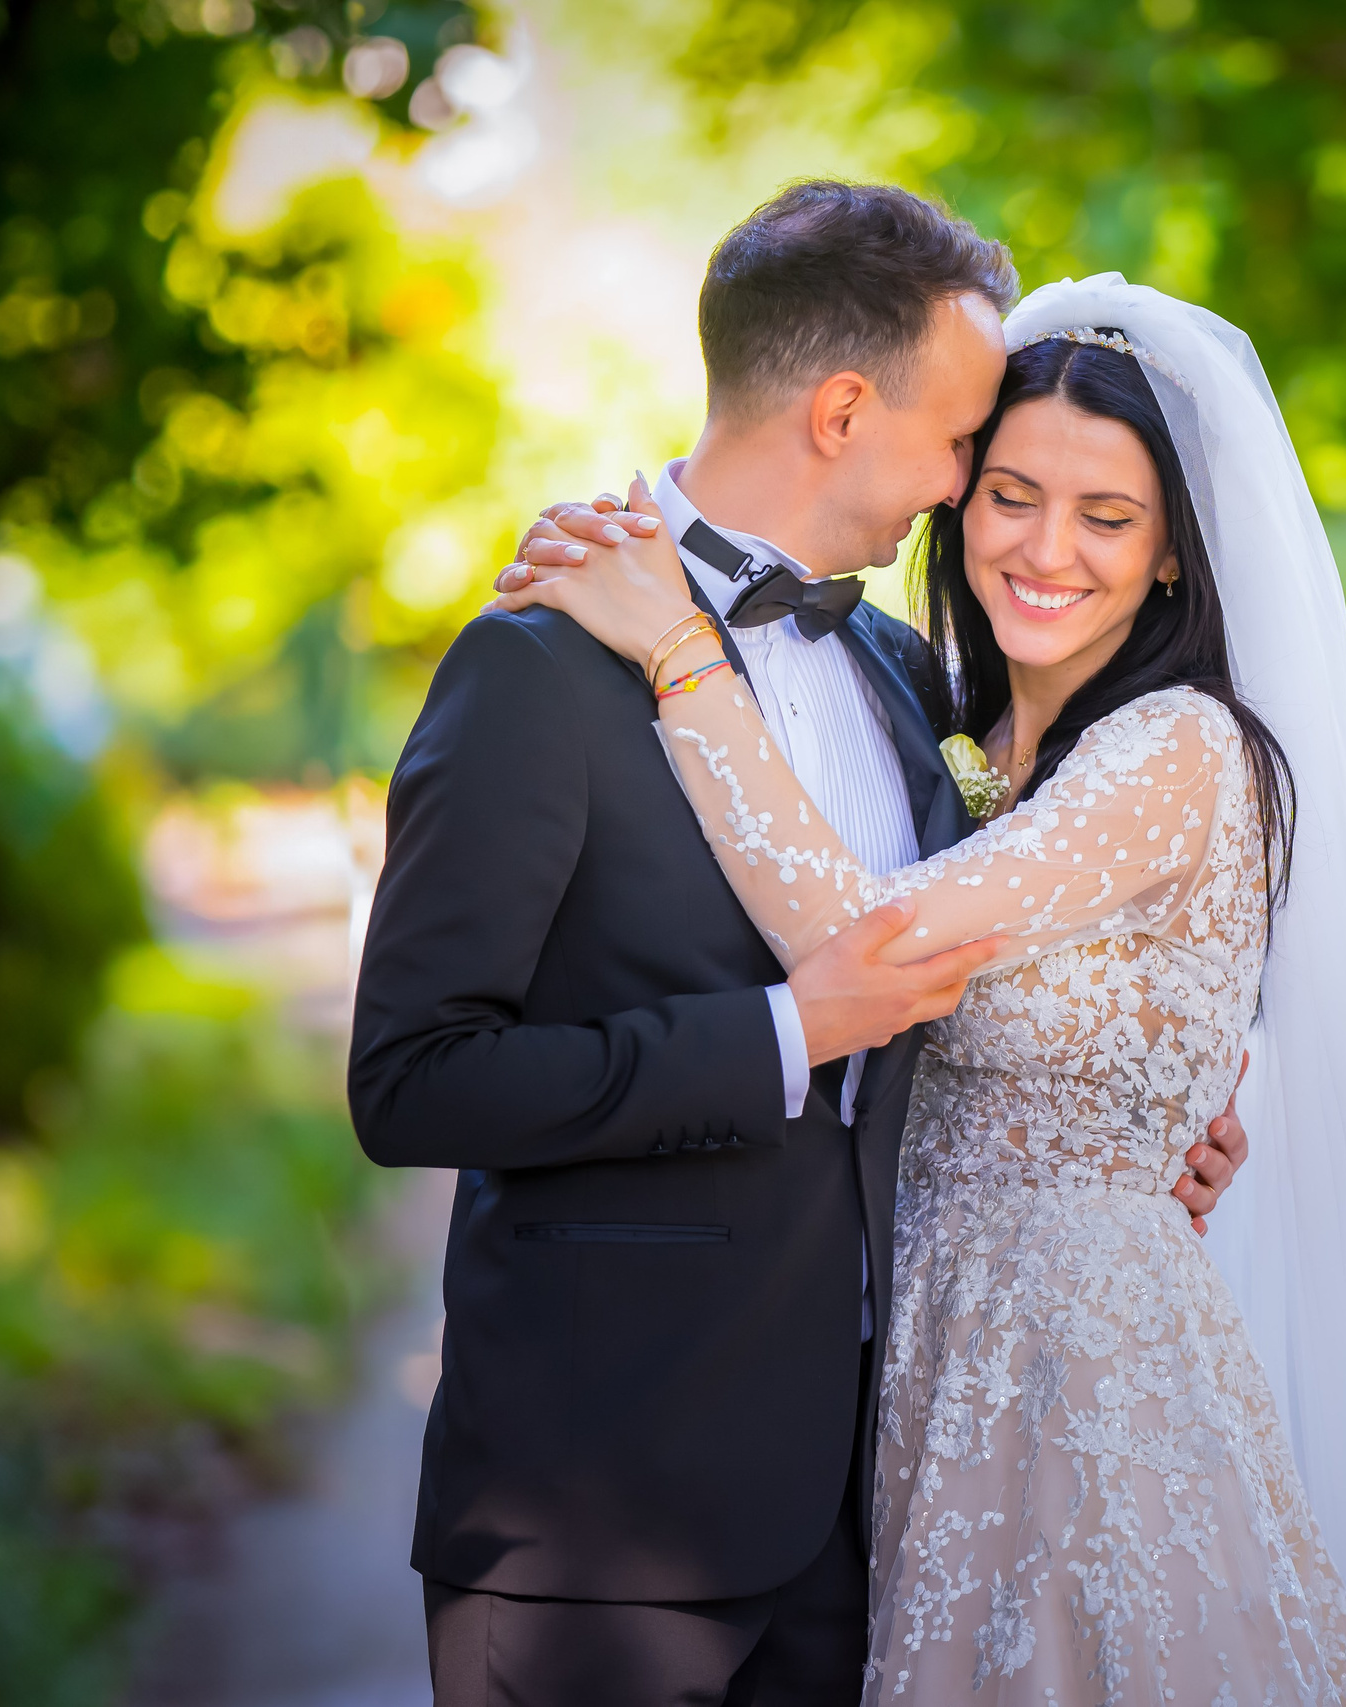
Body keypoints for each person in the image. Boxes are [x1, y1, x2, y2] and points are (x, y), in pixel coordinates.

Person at [501, 274, 1346, 1705]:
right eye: (1012, 496)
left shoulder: (1175, 751)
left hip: (1085, 1392)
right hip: (917, 1378)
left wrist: (677, 649)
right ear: (957, 501)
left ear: (1174, 557)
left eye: (1108, 519)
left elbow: (867, 946)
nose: (1048, 550)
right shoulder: (945, 728)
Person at [346, 184, 1251, 1707]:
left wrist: (1149, 1106)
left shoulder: (909, 674)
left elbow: (1022, 947)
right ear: (845, 409)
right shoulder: (539, 668)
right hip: (599, 1520)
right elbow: (415, 1080)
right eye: (967, 442)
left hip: (871, 1512)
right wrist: (780, 1034)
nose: (974, 487)